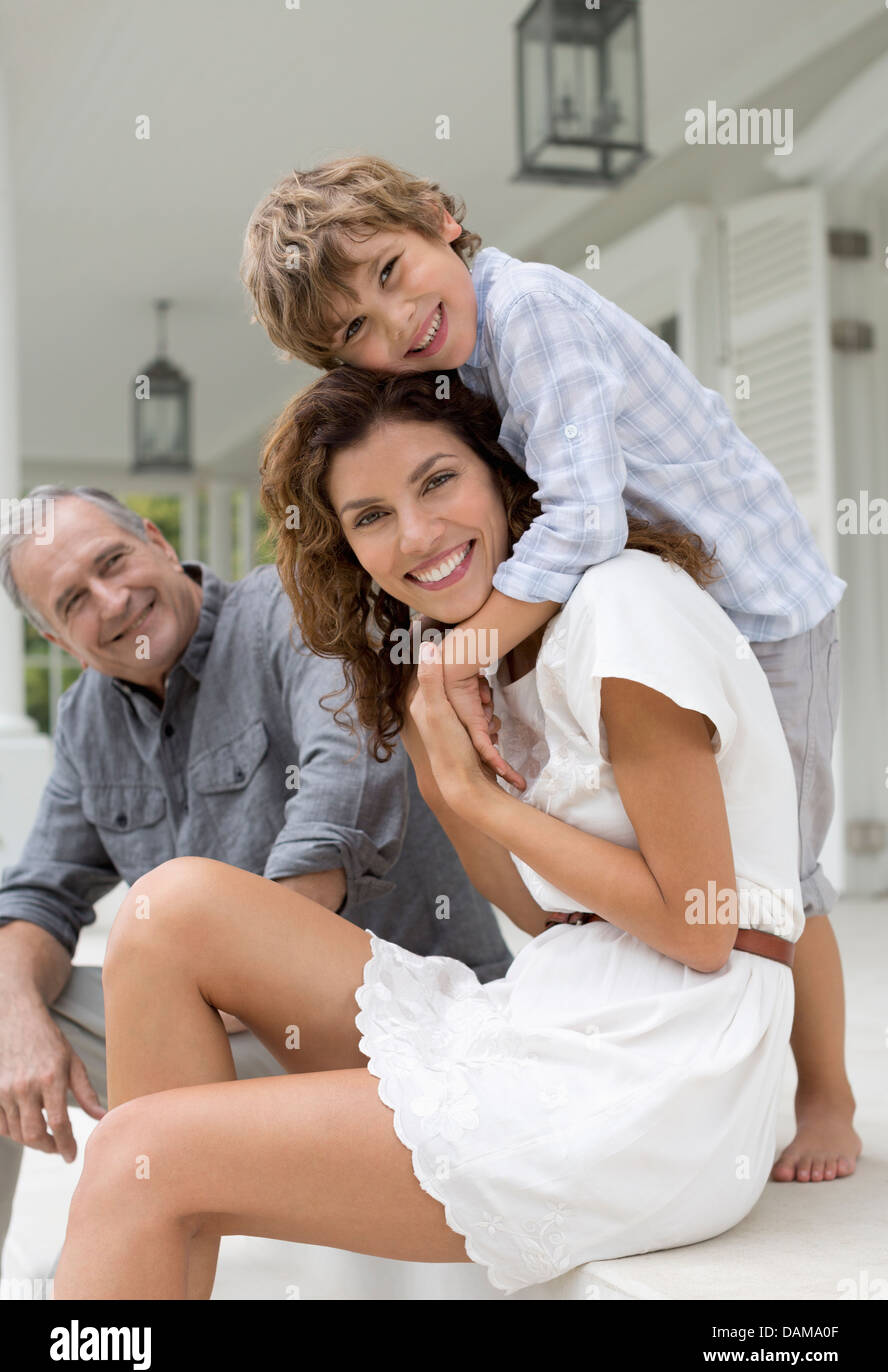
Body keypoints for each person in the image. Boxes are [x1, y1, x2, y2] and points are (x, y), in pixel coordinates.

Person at [56, 369, 816, 1299]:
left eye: (437, 481)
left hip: (662, 1079)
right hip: (562, 1008)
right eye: (371, 516)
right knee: (166, 908)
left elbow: (699, 929)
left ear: (504, 476)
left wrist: (481, 798)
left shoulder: (625, 606)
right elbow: (545, 920)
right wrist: (432, 743)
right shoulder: (487, 657)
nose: (415, 536)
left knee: (140, 1150)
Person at [238, 154, 859, 1184]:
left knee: (782, 876)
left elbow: (582, 516)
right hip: (669, 607)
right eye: (355, 328)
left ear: (442, 219)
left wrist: (460, 657)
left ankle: (825, 1092)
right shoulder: (456, 370)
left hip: (762, 606)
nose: (396, 323)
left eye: (393, 270)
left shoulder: (528, 312)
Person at [0, 485, 511, 1272]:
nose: (113, 600)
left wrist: (239, 962)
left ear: (155, 541)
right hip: (223, 1038)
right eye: (74, 601)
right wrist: (15, 1021)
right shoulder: (86, 722)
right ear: (56, 637)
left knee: (167, 916)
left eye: (114, 561)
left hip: (390, 1017)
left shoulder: (285, 605)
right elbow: (39, 892)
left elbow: (348, 775)